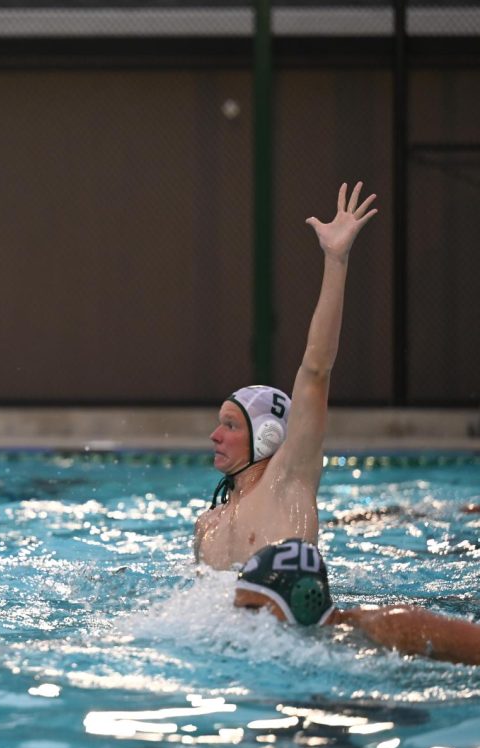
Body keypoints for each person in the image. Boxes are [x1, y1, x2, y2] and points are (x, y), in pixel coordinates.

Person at [194, 182, 378, 569]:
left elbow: (316, 368)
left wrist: (336, 260)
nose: (215, 435)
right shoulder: (206, 526)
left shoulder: (289, 477)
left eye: (230, 424)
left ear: (268, 436)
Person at [233, 539, 480, 665]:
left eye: (253, 610)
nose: (245, 621)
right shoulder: (320, 645)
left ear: (302, 600)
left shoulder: (392, 625)